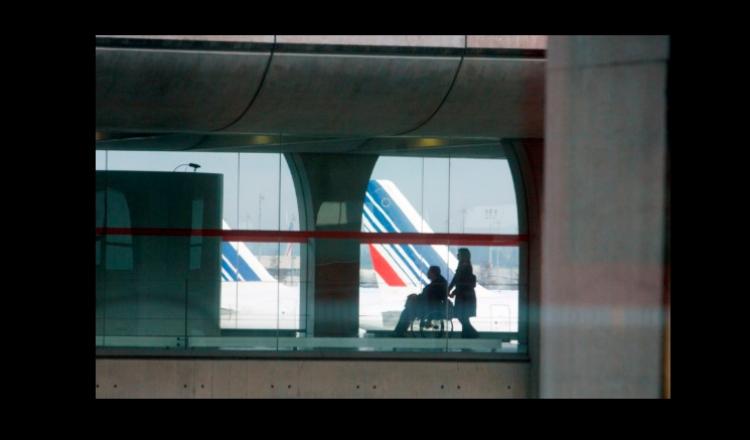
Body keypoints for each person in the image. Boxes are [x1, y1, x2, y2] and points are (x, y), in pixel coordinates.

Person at [392, 266, 448, 337]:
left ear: (433, 273)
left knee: (407, 311)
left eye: (429, 272)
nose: (427, 273)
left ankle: (399, 331)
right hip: (430, 306)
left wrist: (416, 297)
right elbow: (429, 296)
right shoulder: (439, 282)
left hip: (430, 307)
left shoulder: (437, 283)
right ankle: (400, 331)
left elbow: (429, 297)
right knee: (408, 310)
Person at [449, 248, 479, 338]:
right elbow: (459, 280)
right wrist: (452, 290)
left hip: (464, 296)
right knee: (463, 317)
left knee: (462, 316)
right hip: (465, 295)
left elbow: (459, 281)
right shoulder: (465, 266)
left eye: (459, 254)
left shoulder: (464, 266)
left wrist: (451, 290)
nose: (457, 255)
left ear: (463, 255)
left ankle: (472, 334)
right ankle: (467, 335)